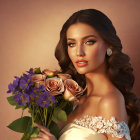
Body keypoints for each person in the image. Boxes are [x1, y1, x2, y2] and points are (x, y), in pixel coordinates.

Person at [31, 9, 140, 140]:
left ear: (109, 45)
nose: (79, 52)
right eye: (72, 44)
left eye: (89, 42)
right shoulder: (72, 100)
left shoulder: (110, 101)